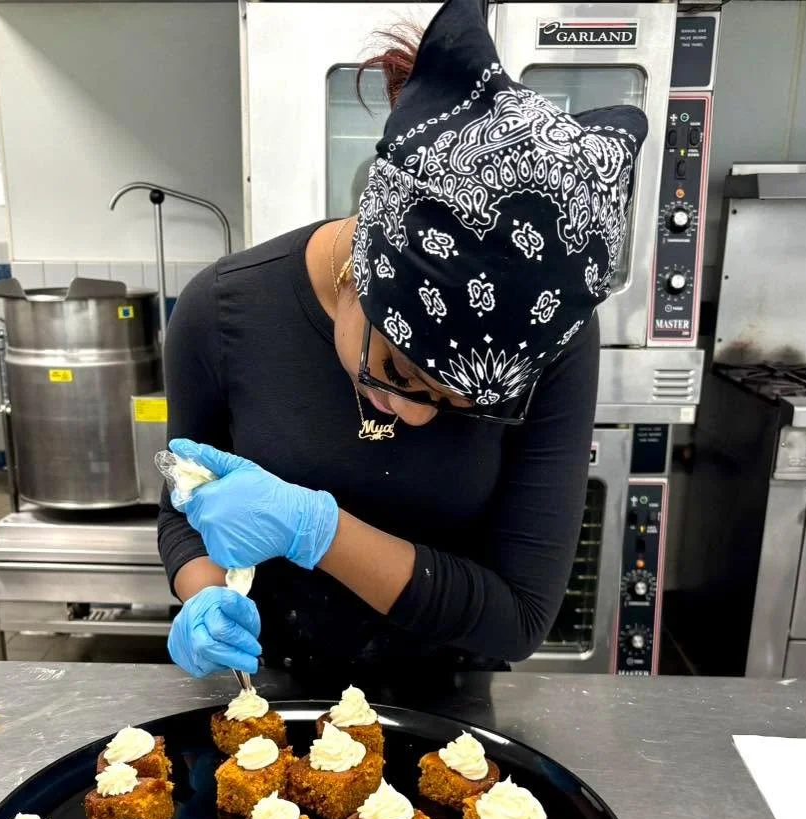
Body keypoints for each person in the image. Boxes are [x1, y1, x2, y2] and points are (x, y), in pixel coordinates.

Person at [158, 0, 646, 688]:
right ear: (361, 269)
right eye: (397, 369)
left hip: (456, 707)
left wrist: (319, 531)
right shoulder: (222, 310)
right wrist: (204, 591)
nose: (413, 415)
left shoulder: (550, 338)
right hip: (273, 688)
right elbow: (184, 505)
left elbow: (520, 614)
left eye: (465, 402)